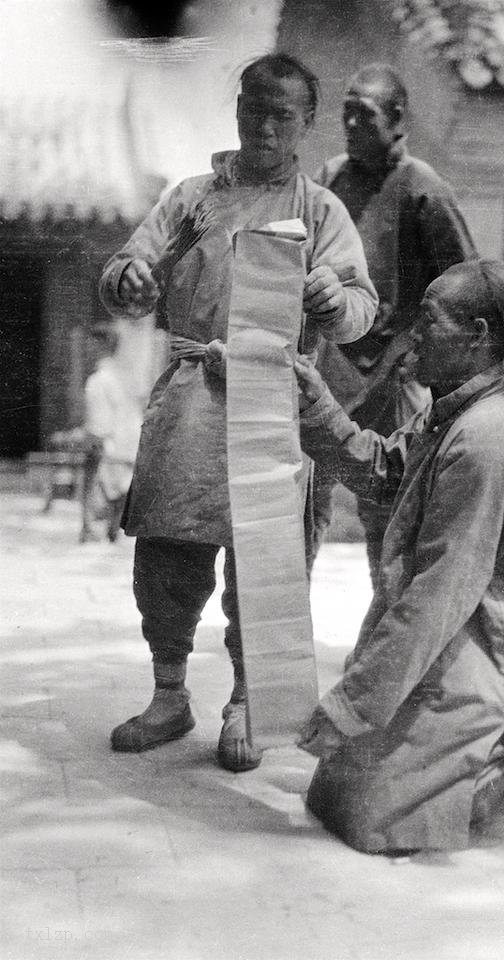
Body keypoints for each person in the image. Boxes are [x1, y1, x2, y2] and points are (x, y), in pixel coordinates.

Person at [98, 54, 377, 772]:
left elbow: (360, 313)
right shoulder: (191, 198)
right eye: (254, 107)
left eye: (282, 113)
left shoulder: (321, 211)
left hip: (276, 405)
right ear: (238, 111)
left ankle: (246, 704)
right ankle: (168, 695)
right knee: (168, 550)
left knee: (267, 566)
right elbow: (129, 275)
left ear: (305, 124)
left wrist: (333, 301)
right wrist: (126, 277)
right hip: (192, 394)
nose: (264, 123)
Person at [294, 259, 504, 854]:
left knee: (372, 818)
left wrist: (352, 704)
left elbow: (439, 593)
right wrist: (318, 408)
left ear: (479, 334)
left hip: (502, 652)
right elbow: (387, 468)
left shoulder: (486, 438)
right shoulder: (455, 414)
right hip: (464, 632)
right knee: (335, 793)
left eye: (428, 321)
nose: (413, 337)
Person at [311, 63, 476, 583]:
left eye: (366, 114)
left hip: (396, 374)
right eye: (347, 113)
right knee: (305, 498)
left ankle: (386, 637)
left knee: (389, 511)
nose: (352, 124)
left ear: (398, 119)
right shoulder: (329, 179)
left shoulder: (424, 188)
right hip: (331, 367)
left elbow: (464, 284)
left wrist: (423, 357)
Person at [81, 324, 143, 544]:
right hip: (129, 455)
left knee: (95, 528)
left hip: (107, 457)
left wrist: (90, 451)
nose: (85, 350)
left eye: (89, 344)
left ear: (100, 345)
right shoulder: (126, 379)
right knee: (116, 530)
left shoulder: (98, 381)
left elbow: (99, 427)